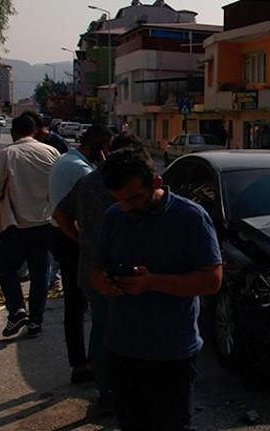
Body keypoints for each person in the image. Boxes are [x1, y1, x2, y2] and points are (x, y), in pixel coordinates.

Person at [90, 148, 222, 430]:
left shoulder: (191, 218)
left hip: (171, 354)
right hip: (121, 350)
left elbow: (212, 281)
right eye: (120, 200)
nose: (127, 207)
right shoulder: (115, 216)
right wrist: (103, 281)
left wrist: (152, 282)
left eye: (134, 197)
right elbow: (96, 268)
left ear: (156, 183)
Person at [53, 132, 144, 413]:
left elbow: (59, 215)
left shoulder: (88, 180)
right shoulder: (129, 183)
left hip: (93, 270)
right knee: (128, 334)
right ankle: (126, 392)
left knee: (103, 329)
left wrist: (81, 241)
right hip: (125, 274)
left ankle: (106, 392)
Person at [0, 115, 60, 338]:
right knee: (40, 273)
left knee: (7, 268)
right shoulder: (51, 153)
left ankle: (17, 309)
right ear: (35, 131)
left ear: (14, 132)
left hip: (14, 225)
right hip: (45, 224)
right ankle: (35, 320)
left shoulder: (6, 154)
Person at [49, 125, 111, 384]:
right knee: (87, 305)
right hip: (71, 238)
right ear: (99, 149)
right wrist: (81, 240)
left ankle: (80, 362)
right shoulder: (83, 172)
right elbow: (75, 213)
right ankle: (88, 365)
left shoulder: (66, 158)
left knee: (75, 305)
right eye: (106, 150)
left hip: (62, 235)